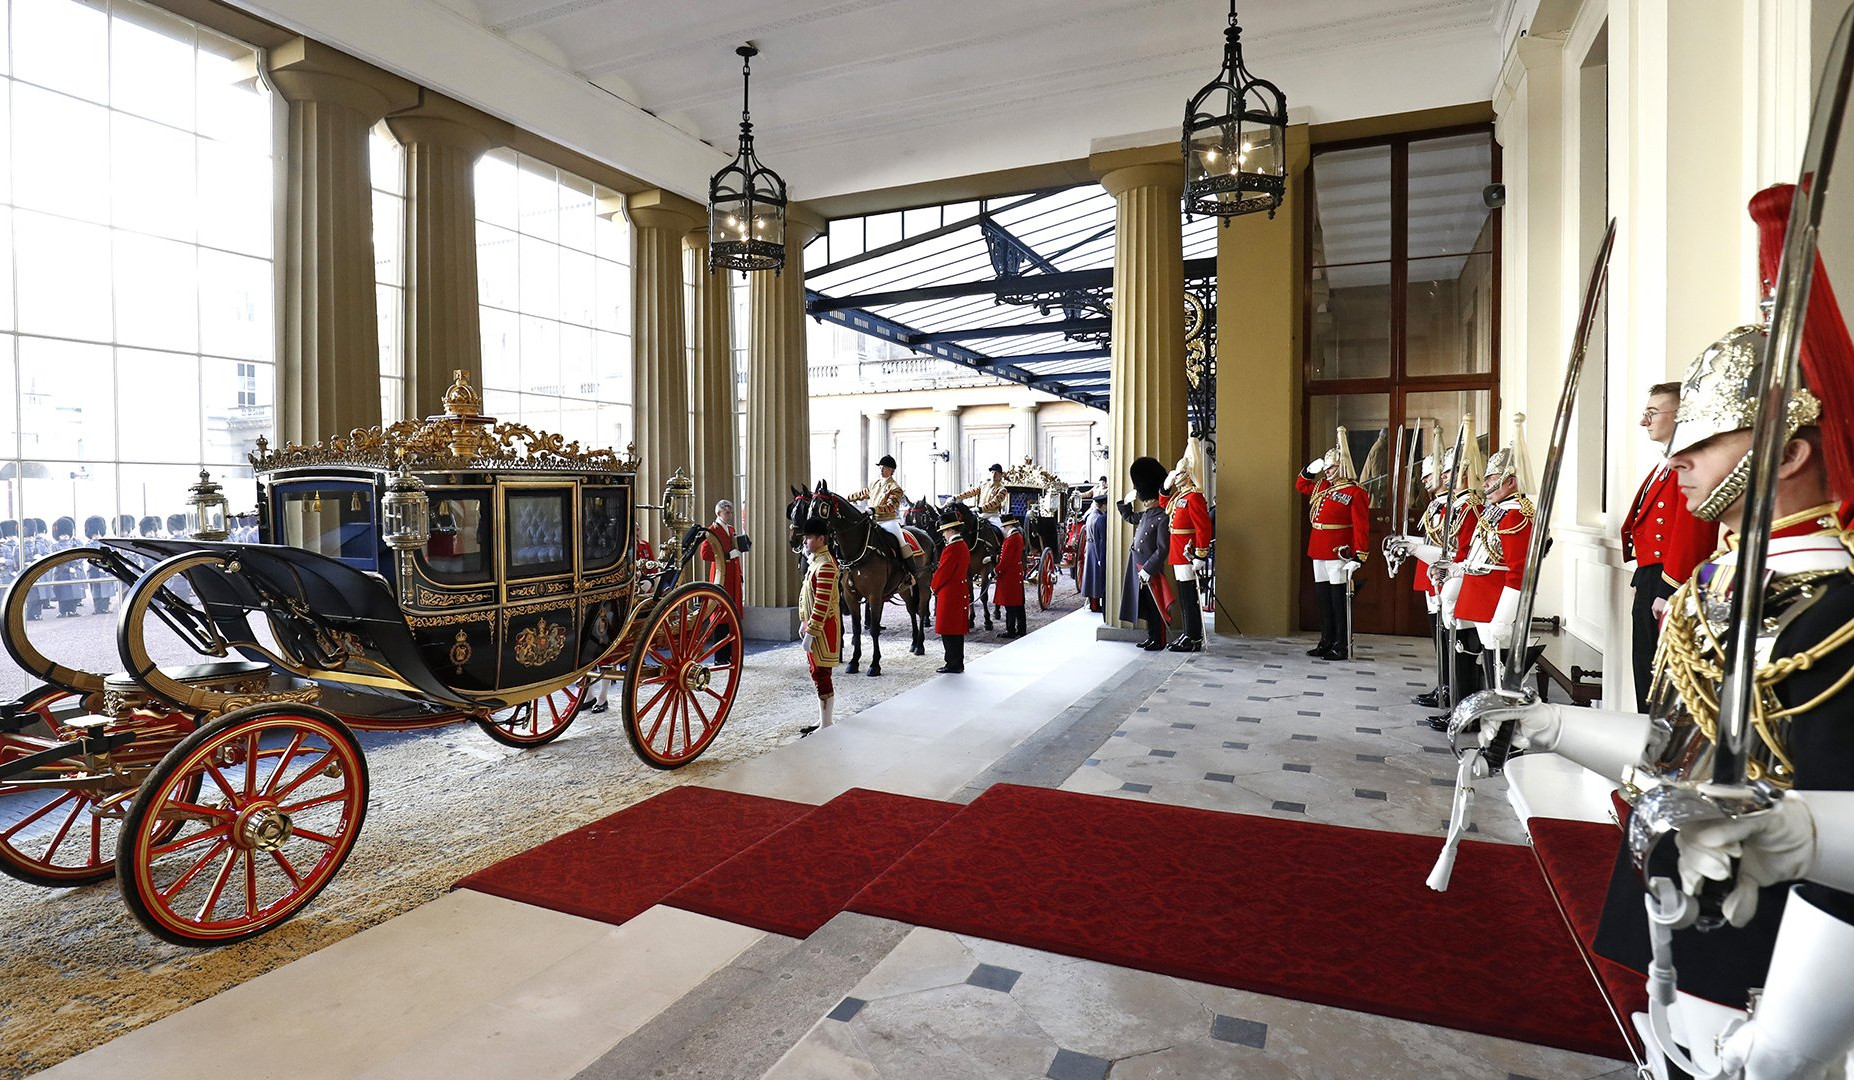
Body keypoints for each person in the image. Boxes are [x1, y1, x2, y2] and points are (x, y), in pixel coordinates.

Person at [1464, 184, 1854, 1078]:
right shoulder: (1718, 590)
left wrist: (1793, 1034)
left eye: (1699, 448)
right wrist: (1548, 727)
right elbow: (1676, 756)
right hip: (1690, 929)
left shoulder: (1840, 611)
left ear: (1788, 453)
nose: (1675, 465)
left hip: (1796, 974)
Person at [1621, 382, 1719, 711]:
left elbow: (1692, 528)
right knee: (1646, 669)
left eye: (1652, 413)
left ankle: (1661, 753)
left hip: (1669, 580)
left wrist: (1669, 587)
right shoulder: (1665, 465)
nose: (1643, 422)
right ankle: (1648, 743)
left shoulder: (1689, 463)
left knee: (1662, 675)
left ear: (1680, 415)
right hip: (1651, 577)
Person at [1451, 417, 1535, 688]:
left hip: (1497, 599)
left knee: (1499, 667)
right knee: (1486, 660)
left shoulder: (1516, 516)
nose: (1485, 484)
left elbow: (1520, 572)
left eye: (1491, 479)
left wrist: (1504, 615)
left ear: (1510, 481)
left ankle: (1502, 723)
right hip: (1482, 594)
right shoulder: (1496, 510)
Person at [1294, 430, 1370, 660]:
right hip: (1318, 547)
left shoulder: (1355, 492)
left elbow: (1360, 525)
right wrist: (1309, 470)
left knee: (1339, 599)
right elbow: (1301, 485)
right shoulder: (1322, 487)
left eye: (1331, 468)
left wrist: (1360, 554)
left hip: (1339, 550)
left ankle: (1341, 643)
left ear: (1343, 466)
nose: (1327, 472)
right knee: (1323, 598)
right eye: (1326, 468)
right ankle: (1326, 639)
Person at [1164, 439, 1212, 652]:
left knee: (1189, 596)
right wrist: (1164, 489)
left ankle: (1193, 637)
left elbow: (1203, 528)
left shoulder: (1195, 498)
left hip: (1188, 551)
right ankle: (1187, 633)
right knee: (1184, 595)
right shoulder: (1180, 496)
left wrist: (1201, 554)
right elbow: (1166, 507)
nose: (1176, 477)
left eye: (1180, 473)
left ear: (1188, 474)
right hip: (1177, 550)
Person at [1118, 456, 1170, 651]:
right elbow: (1129, 516)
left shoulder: (1163, 516)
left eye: (1147, 498)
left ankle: (1159, 638)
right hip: (1137, 564)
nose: (1146, 501)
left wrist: (1148, 569)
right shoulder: (1147, 514)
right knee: (1146, 606)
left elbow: (1162, 548)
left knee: (1156, 605)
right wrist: (1126, 501)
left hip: (1149, 567)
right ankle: (1151, 636)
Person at [797, 516, 842, 736]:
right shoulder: (816, 561)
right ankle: (822, 718)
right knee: (816, 673)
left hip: (823, 630)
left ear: (821, 539)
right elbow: (807, 597)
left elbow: (822, 604)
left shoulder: (825, 565)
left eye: (808, 538)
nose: (804, 542)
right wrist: (802, 621)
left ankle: (827, 722)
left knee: (822, 674)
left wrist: (812, 631)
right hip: (814, 627)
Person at [931, 517, 970, 673]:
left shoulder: (952, 548)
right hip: (958, 590)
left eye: (944, 531)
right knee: (956, 630)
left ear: (951, 530)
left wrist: (933, 586)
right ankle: (957, 662)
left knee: (948, 630)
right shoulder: (963, 545)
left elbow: (943, 572)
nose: (943, 535)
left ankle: (952, 663)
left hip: (949, 593)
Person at [846, 455, 909, 544]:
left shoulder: (895, 488)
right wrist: (847, 498)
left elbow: (890, 506)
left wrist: (874, 509)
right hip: (873, 520)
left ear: (892, 470)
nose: (881, 470)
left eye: (884, 468)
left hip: (888, 521)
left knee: (901, 543)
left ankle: (908, 557)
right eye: (880, 468)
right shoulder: (874, 483)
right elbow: (862, 494)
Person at [700, 499, 745, 609]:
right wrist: (727, 556)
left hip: (733, 571)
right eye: (727, 513)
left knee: (733, 603)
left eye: (731, 513)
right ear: (719, 513)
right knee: (720, 602)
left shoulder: (730, 529)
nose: (730, 516)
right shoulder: (712, 530)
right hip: (721, 570)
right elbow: (704, 554)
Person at [994, 512, 1026, 639]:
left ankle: (1011, 630)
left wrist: (995, 571)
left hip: (1009, 575)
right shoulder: (1015, 536)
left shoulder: (1012, 538)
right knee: (1017, 603)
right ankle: (1021, 629)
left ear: (1007, 526)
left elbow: (1006, 561)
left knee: (1010, 605)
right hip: (1014, 573)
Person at [954, 463, 1010, 528]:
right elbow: (971, 492)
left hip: (992, 516)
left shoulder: (1002, 489)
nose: (994, 475)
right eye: (992, 472)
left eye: (996, 473)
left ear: (1000, 475)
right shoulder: (983, 485)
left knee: (1002, 530)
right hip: (979, 515)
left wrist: (980, 509)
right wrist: (956, 497)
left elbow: (995, 502)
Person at [1081, 493, 1107, 614]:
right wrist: (1099, 556)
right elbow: (1098, 539)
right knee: (1095, 577)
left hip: (1090, 546)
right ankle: (1095, 604)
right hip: (1095, 548)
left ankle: (1093, 603)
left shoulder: (1091, 516)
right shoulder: (1098, 518)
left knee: (1091, 576)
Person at [50, 516, 81, 617]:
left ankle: (72, 610)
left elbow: (80, 557)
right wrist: (67, 568)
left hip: (73, 573)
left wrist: (75, 565)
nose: (65, 537)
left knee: (73, 593)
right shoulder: (55, 547)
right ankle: (62, 611)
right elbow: (56, 561)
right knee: (62, 594)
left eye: (67, 534)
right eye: (62, 535)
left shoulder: (74, 544)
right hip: (60, 573)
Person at [83, 515, 112, 614]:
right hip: (94, 570)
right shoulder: (89, 544)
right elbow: (89, 558)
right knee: (97, 591)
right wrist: (97, 565)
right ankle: (98, 608)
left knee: (106, 590)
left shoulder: (105, 543)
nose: (96, 535)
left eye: (98, 532)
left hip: (105, 569)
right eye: (94, 533)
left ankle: (105, 607)